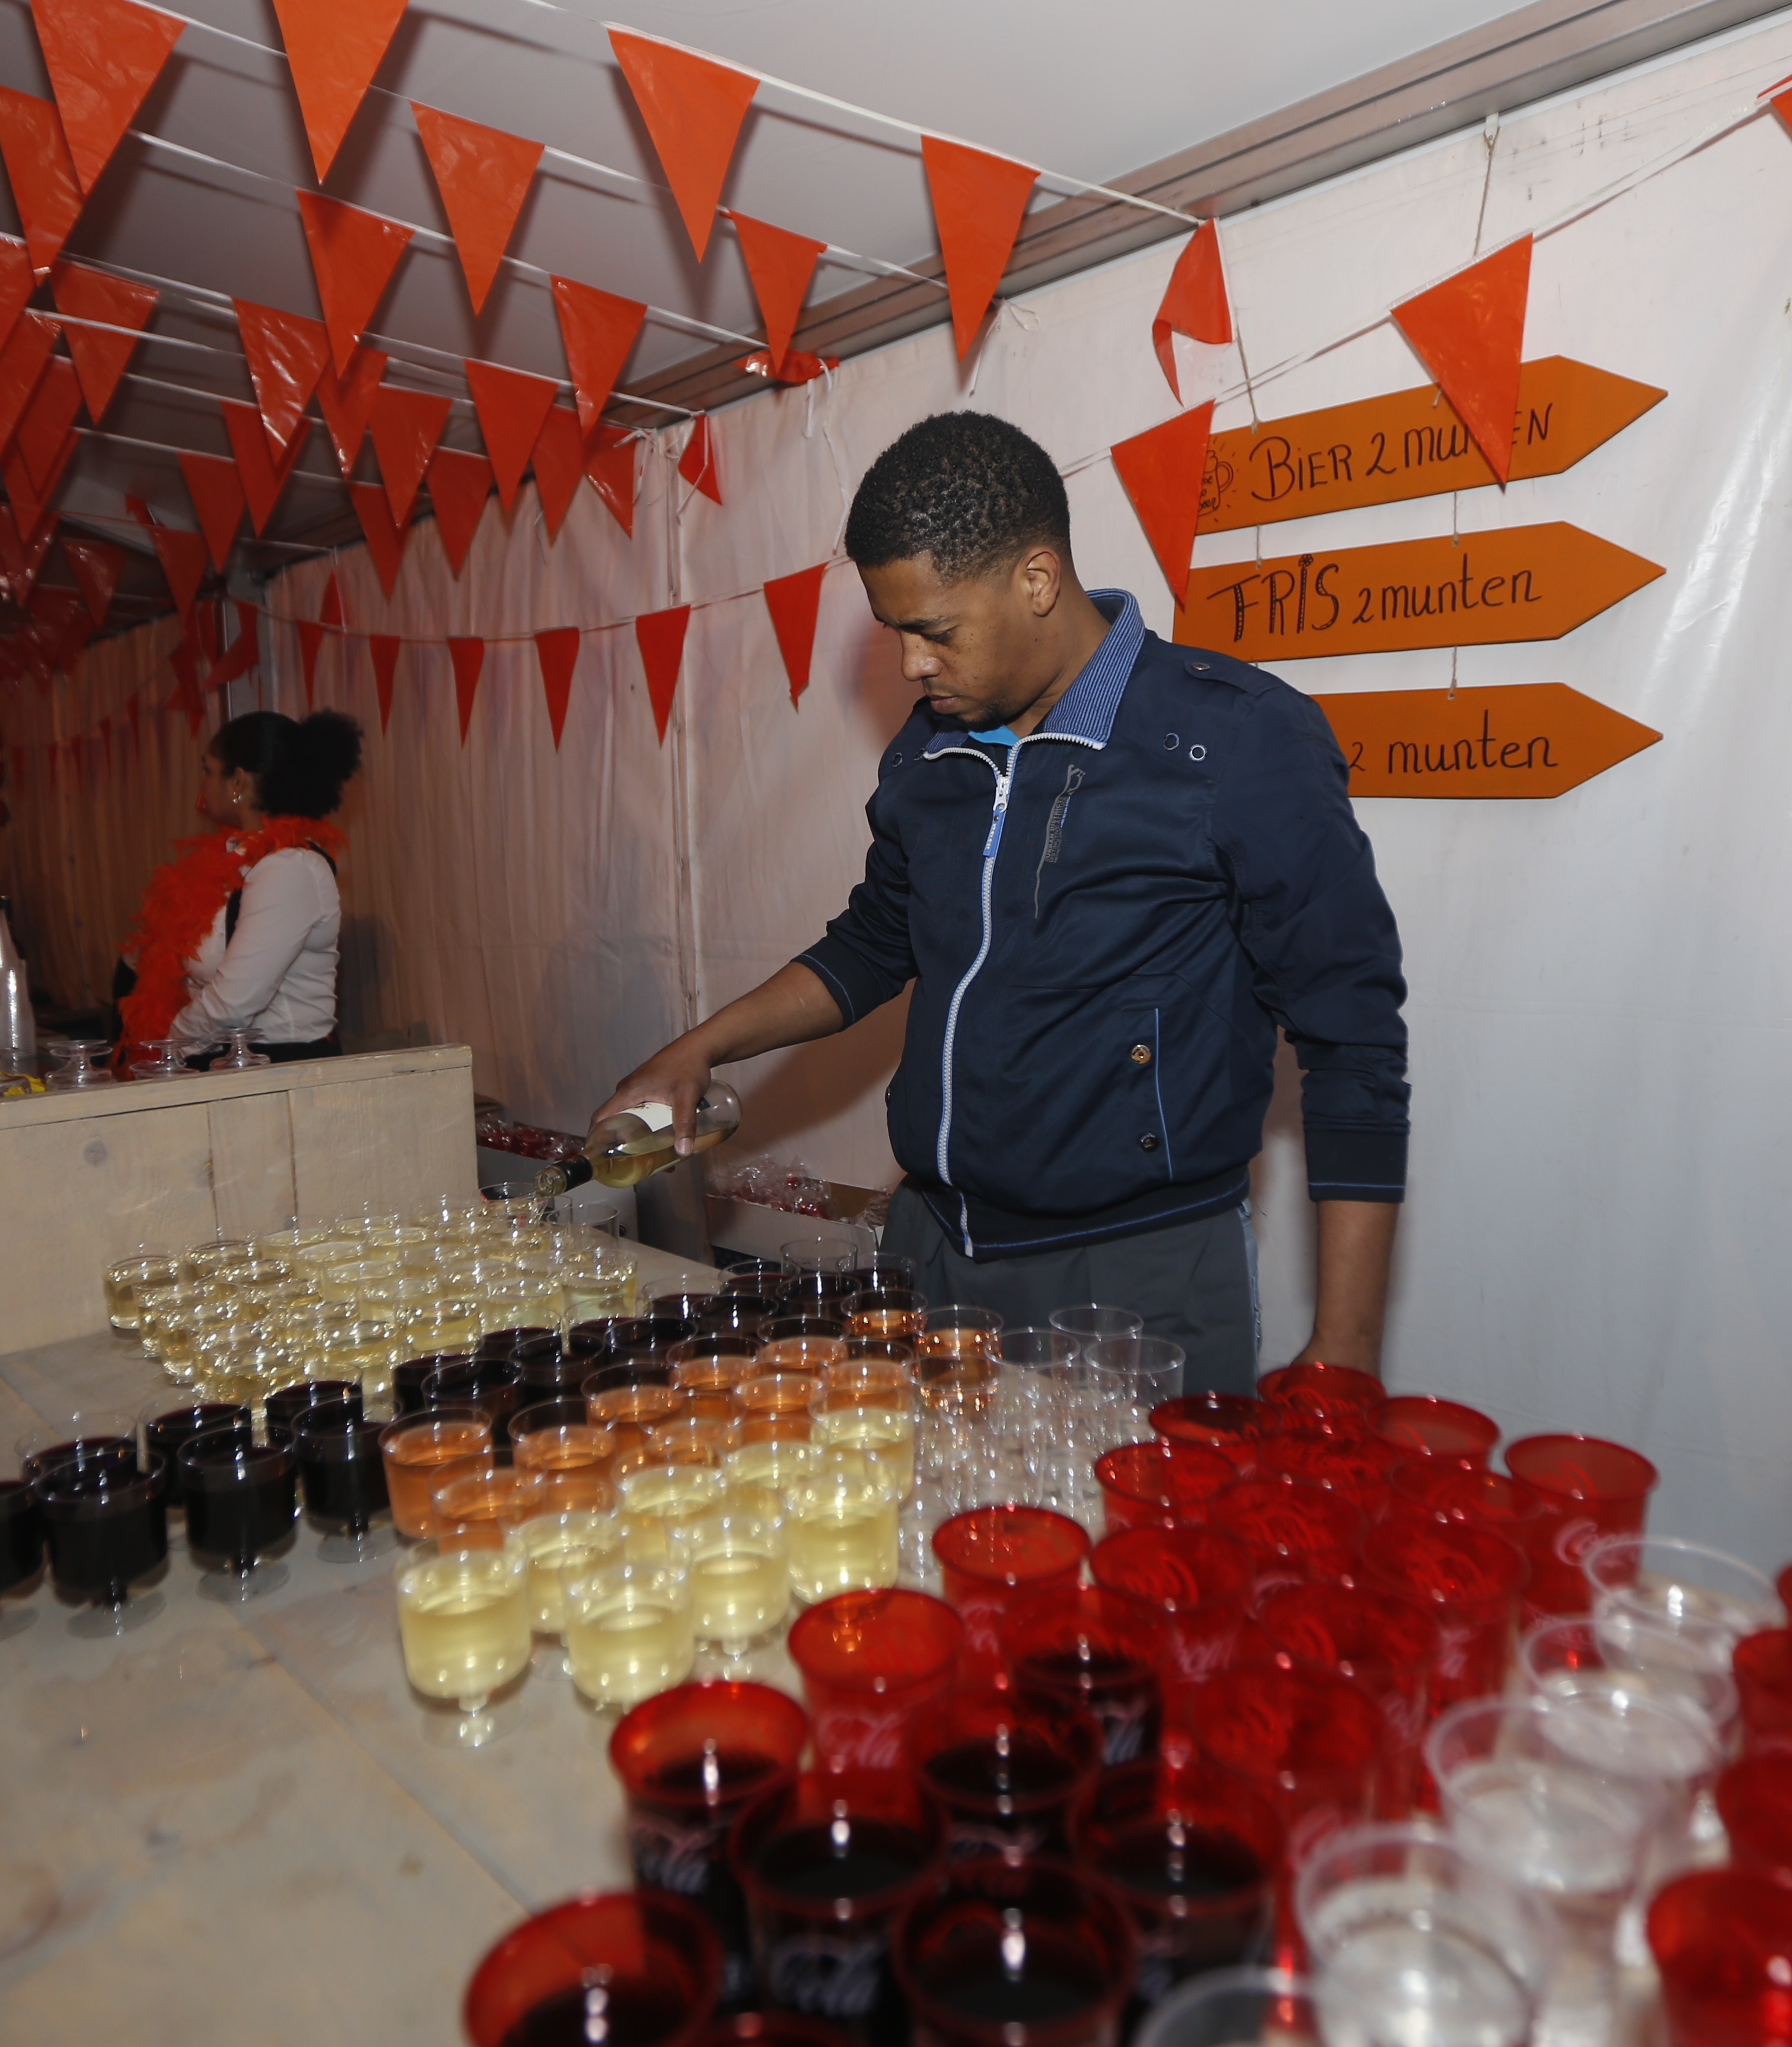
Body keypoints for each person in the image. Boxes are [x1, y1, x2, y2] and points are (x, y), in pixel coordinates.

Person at [595, 413, 1410, 1392]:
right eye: (894, 631)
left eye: (933, 631)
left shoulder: (1235, 739)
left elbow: (1353, 1039)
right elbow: (874, 943)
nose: (910, 664)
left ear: (1036, 580)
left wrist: (1348, 1348)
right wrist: (700, 1048)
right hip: (930, 1253)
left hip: (1135, 1277)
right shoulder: (930, 746)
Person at [116, 709, 363, 1068]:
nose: (202, 784)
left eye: (208, 770)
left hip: (282, 1069)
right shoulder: (232, 861)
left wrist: (166, 1049)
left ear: (237, 781)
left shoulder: (290, 869)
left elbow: (235, 1000)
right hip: (224, 1061)